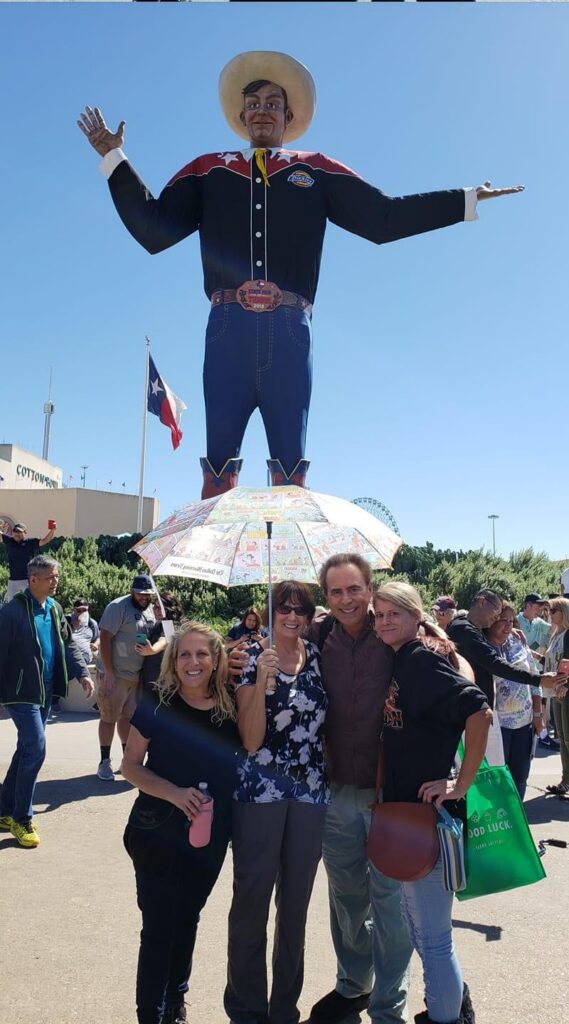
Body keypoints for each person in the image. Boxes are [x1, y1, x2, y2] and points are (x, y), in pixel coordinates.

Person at [78, 50, 522, 498]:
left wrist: (464, 201)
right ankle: (216, 541)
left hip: (290, 330)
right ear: (241, 116)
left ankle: (288, 544)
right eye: (253, 104)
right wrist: (114, 158)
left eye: (273, 103)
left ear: (289, 117)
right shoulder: (208, 169)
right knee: (217, 469)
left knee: (291, 473)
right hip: (227, 329)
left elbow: (383, 219)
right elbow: (153, 230)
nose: (262, 111)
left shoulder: (316, 168)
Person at [374, 581, 492, 1024]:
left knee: (434, 938)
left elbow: (479, 710)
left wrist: (460, 783)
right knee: (419, 929)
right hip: (410, 816)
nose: (385, 621)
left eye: (394, 613)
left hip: (430, 816)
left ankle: (449, 1016)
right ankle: (453, 1005)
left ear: (414, 615)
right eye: (379, 614)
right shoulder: (405, 656)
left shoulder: (419, 659)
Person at [122, 622, 241, 1024]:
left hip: (209, 835)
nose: (193, 662)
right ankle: (150, 1015)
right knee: (158, 928)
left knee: (188, 917)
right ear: (173, 660)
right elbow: (130, 767)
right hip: (157, 832)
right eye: (185, 654)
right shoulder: (157, 702)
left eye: (202, 653)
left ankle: (175, 1002)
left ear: (216, 659)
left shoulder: (231, 705)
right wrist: (173, 792)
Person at [224, 581, 329, 1024]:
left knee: (295, 907)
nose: (292, 616)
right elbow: (250, 740)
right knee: (252, 902)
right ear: (269, 613)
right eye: (283, 608)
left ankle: (285, 1007)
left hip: (310, 794)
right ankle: (247, 1009)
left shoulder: (317, 656)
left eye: (300, 609)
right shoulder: (251, 659)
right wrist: (260, 680)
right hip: (259, 794)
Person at [0, 556, 93, 848]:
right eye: (50, 577)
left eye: (57, 576)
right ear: (33, 580)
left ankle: (4, 810)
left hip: (45, 691)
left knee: (26, 749)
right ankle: (22, 818)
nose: (56, 581)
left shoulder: (54, 608)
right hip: (21, 693)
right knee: (36, 749)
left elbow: (68, 643)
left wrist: (82, 673)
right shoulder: (12, 612)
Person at [447, 589, 562, 707]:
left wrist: (508, 629)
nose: (497, 618)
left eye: (510, 621)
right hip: (467, 709)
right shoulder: (463, 631)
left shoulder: (473, 628)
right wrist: (538, 680)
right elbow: (494, 663)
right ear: (482, 602)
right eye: (497, 611)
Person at [95, 573, 156, 781]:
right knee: (108, 717)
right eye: (140, 594)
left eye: (147, 594)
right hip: (116, 674)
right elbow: (105, 637)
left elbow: (143, 634)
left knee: (128, 718)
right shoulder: (117, 607)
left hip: (135, 676)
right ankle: (104, 761)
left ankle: (126, 761)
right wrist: (109, 672)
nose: (143, 598)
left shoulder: (149, 609)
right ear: (132, 591)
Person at [484, 602, 542, 799]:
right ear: (491, 621)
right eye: (503, 620)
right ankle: (500, 814)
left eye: (511, 621)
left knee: (520, 776)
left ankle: (518, 812)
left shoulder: (518, 641)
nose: (508, 625)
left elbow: (534, 678)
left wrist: (538, 714)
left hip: (524, 723)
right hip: (497, 726)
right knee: (497, 777)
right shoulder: (481, 648)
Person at [543, 598, 569, 797]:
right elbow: (552, 662)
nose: (549, 614)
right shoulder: (555, 635)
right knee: (562, 738)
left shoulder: (567, 635)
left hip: (565, 691)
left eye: (553, 610)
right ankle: (565, 781)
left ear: (564, 612)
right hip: (557, 691)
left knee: (567, 738)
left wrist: (565, 685)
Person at [137, 592, 184, 697]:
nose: (155, 609)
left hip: (162, 683)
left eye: (159, 607)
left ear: (168, 609)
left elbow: (165, 640)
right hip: (153, 679)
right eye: (155, 606)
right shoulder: (160, 623)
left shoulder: (170, 624)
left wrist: (152, 650)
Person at [0, 520, 57, 601]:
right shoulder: (9, 541)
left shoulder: (30, 543)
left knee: (29, 603)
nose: (17, 534)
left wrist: (52, 530)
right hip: (13, 581)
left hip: (27, 580)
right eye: (15, 531)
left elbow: (45, 541)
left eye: (19, 532)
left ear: (25, 532)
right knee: (12, 604)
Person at [516, 593, 550, 668]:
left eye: (541, 607)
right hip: (522, 668)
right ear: (528, 605)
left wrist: (550, 612)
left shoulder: (539, 622)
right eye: (538, 606)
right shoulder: (516, 621)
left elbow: (554, 630)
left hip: (537, 668)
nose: (540, 610)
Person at [66, 597, 100, 666]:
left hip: (85, 655)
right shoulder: (66, 620)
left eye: (84, 610)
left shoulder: (92, 623)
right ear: (74, 610)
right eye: (79, 610)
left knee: (79, 663)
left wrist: (96, 644)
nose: (82, 613)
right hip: (68, 654)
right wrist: (72, 626)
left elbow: (98, 637)